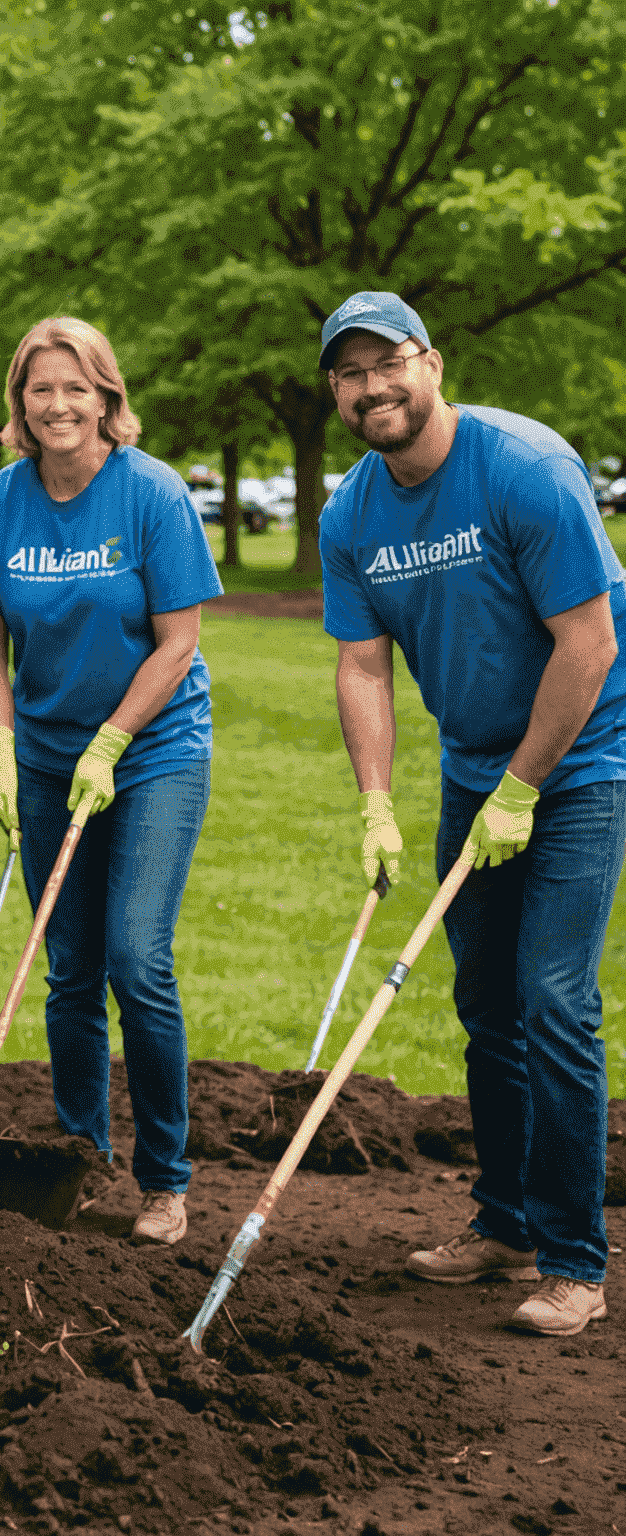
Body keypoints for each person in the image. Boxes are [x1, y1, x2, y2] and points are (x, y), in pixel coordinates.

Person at [318, 291, 626, 1338]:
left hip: (581, 758)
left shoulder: (524, 469)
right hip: (471, 766)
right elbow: (363, 668)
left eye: (387, 364)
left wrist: (527, 788)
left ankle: (576, 1262)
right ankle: (503, 1224)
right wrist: (375, 806)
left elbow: (589, 646)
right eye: (350, 375)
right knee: (486, 1005)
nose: (373, 389)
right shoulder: (349, 514)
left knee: (553, 999)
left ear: (432, 363)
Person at [0, 316, 222, 1246]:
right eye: (42, 390)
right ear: (19, 405)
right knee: (66, 969)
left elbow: (178, 640)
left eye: (79, 388)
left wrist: (112, 739)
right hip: (43, 753)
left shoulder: (152, 495)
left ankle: (165, 1178)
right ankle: (82, 1157)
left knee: (135, 957)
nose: (60, 405)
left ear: (109, 399)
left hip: (154, 750)